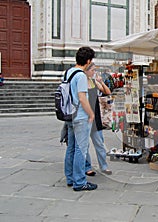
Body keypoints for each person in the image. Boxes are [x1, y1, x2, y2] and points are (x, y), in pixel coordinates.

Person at [64, 46, 97, 191]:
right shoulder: (81, 76)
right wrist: (91, 114)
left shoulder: (67, 73)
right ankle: (79, 182)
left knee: (71, 147)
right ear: (88, 61)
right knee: (80, 149)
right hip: (80, 116)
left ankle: (70, 178)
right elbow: (83, 98)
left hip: (69, 115)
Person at [84, 62, 112, 176]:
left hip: (96, 117)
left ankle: (104, 166)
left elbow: (108, 92)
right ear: (86, 70)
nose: (94, 72)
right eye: (93, 70)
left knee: (100, 143)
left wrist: (101, 82)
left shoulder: (94, 82)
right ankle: (87, 167)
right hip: (85, 117)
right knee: (85, 145)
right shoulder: (81, 82)